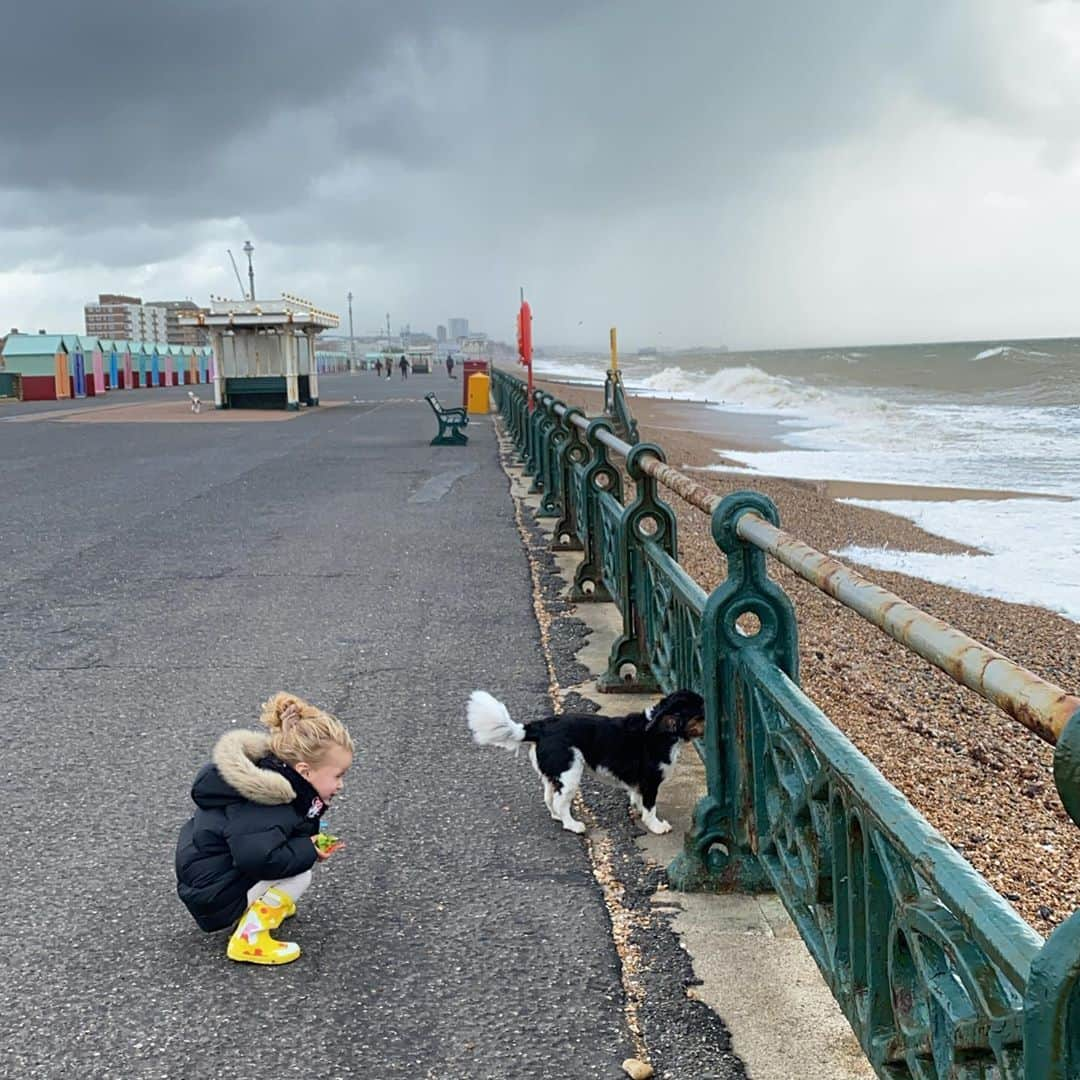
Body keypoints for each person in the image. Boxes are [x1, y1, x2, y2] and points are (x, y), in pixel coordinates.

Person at [175, 692, 354, 965]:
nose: (341, 785)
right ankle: (249, 939)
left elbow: (279, 834)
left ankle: (266, 901)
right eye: (338, 776)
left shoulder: (279, 781)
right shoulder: (270, 801)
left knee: (294, 863)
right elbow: (259, 858)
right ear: (305, 771)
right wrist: (308, 849)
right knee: (299, 875)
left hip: (211, 881)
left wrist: (306, 843)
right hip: (214, 895)